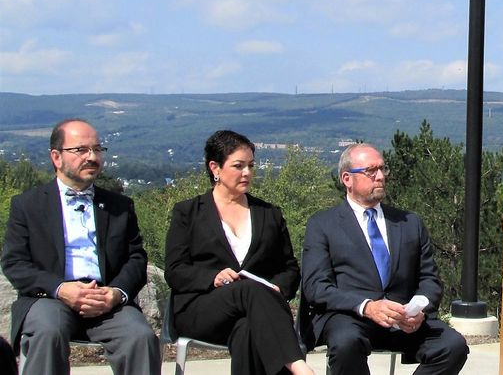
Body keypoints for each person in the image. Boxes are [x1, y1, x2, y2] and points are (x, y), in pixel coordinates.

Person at [1, 118, 160, 374]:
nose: (92, 156)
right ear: (56, 157)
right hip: (50, 298)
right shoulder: (28, 205)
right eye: (81, 150)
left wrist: (116, 293)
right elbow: (15, 263)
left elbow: (136, 258)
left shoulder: (119, 206)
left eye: (97, 149)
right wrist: (61, 289)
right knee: (47, 332)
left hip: (105, 299)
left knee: (140, 337)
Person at [300, 143, 469, 375]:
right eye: (371, 171)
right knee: (346, 343)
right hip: (351, 317)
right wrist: (367, 307)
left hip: (404, 320)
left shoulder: (409, 223)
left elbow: (430, 278)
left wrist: (418, 308)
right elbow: (316, 287)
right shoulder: (323, 224)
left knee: (453, 346)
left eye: (382, 169)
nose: (380, 177)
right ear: (347, 179)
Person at [164, 130, 312, 375]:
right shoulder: (188, 213)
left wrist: (278, 288)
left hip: (257, 313)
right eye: (238, 166)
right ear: (215, 168)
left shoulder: (269, 214)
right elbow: (175, 271)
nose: (247, 173)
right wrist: (213, 277)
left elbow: (289, 269)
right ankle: (298, 366)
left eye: (251, 166)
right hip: (202, 308)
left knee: (247, 330)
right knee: (249, 288)